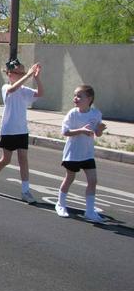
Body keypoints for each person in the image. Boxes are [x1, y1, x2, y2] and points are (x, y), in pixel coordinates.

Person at [0, 59, 43, 203]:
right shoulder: (6, 87)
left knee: (23, 160)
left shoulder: (25, 91)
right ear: (10, 74)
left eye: (23, 72)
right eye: (19, 72)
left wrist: (37, 78)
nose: (23, 74)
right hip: (9, 129)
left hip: (22, 129)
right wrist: (28, 75)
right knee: (6, 159)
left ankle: (25, 191)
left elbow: (40, 93)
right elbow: (12, 89)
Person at [55, 85, 106, 222]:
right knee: (69, 178)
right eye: (75, 95)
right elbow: (65, 132)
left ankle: (89, 211)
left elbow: (97, 133)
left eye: (79, 96)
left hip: (87, 154)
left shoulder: (96, 114)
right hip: (73, 153)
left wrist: (100, 129)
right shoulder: (72, 114)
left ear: (89, 99)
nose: (75, 98)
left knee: (93, 181)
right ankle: (60, 204)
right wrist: (81, 130)